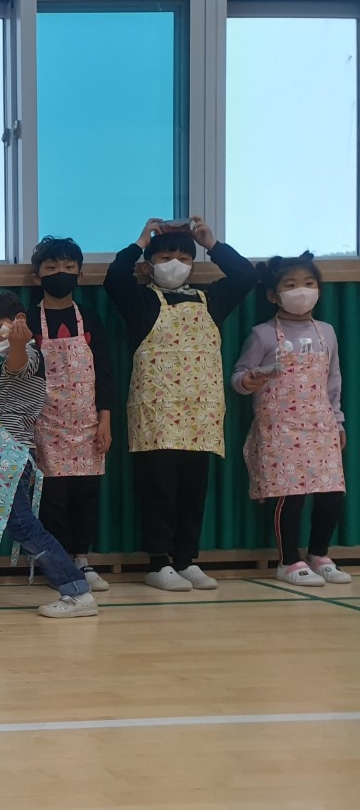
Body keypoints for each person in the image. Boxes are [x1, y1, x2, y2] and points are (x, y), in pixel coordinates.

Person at [103, 216, 258, 591]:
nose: (175, 263)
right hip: (156, 414)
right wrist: (141, 241)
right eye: (166, 256)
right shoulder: (141, 301)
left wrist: (211, 243)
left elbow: (246, 276)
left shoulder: (212, 299)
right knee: (158, 490)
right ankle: (158, 563)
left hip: (200, 414)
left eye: (184, 257)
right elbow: (114, 279)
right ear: (150, 264)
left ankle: (186, 560)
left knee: (193, 491)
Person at [0, 291, 98, 618]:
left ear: (19, 321)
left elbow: (18, 361)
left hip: (8, 458)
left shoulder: (29, 356)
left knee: (23, 526)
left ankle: (77, 591)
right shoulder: (6, 365)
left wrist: (16, 344)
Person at [233, 252, 349, 586]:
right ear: (274, 295)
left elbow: (333, 380)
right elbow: (239, 374)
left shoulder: (327, 332)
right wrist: (247, 381)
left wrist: (338, 421)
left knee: (331, 493)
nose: (302, 290)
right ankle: (288, 561)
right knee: (290, 495)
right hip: (279, 428)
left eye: (309, 283)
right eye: (291, 285)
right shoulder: (262, 334)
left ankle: (319, 554)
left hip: (321, 425)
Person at [24, 237, 113, 592]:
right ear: (37, 276)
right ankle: (57, 563)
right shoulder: (28, 319)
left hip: (88, 423)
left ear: (79, 273)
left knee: (86, 494)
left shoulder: (89, 317)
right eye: (51, 267)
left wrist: (105, 420)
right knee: (52, 497)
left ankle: (82, 560)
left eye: (67, 267)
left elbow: (104, 370)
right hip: (45, 424)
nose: (59, 272)